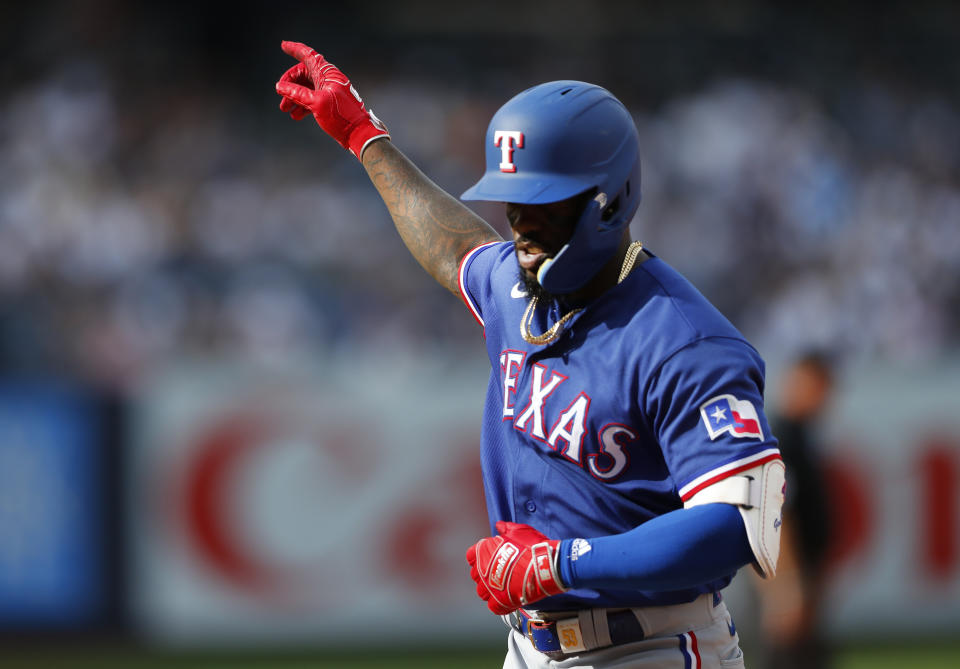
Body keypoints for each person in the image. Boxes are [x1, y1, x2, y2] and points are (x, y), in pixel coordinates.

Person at [274, 40, 785, 668]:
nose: (520, 221)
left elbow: (737, 527)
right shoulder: (518, 288)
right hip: (531, 647)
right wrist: (363, 135)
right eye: (512, 200)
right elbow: (453, 246)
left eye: (544, 202)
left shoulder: (685, 341)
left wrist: (557, 563)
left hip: (652, 646)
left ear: (609, 199)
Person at [755, 352, 835, 669]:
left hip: (802, 575)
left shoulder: (800, 434)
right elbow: (776, 515)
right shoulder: (782, 437)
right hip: (788, 578)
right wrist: (785, 586)